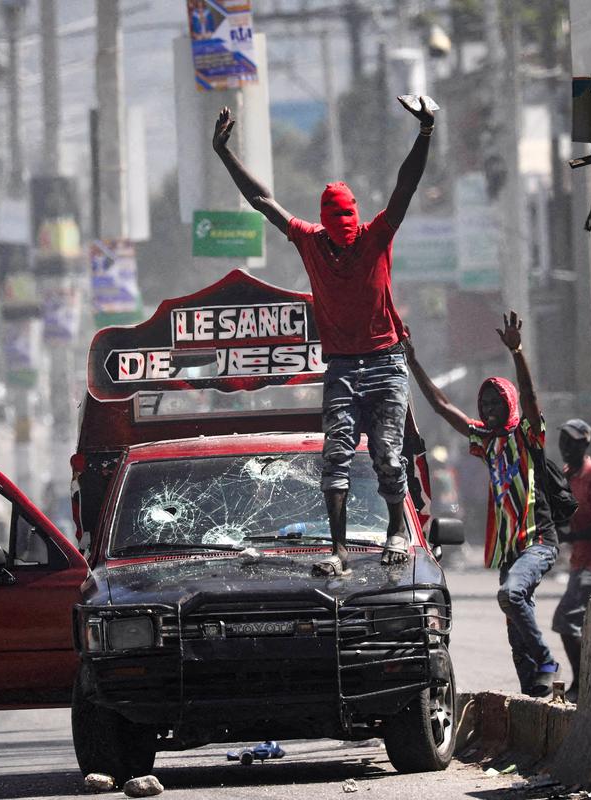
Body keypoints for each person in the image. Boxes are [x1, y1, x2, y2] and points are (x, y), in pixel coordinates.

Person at [212, 94, 436, 576]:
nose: (343, 234)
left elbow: (405, 185)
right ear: (325, 224)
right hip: (341, 366)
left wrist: (425, 132)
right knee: (335, 455)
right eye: (336, 227)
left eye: (347, 224)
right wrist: (224, 153)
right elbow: (261, 201)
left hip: (385, 362)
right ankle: (338, 550)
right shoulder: (310, 240)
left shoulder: (376, 236)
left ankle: (397, 530)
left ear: (356, 218)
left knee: (388, 454)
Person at [404, 313, 562, 697]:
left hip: (537, 542)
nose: (489, 408)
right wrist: (412, 362)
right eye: (484, 403)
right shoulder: (485, 441)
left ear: (509, 404)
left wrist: (517, 352)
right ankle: (535, 695)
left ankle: (547, 661)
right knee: (514, 628)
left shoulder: (527, 435)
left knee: (511, 596)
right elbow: (442, 406)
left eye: (496, 402)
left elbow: (530, 397)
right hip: (510, 551)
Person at [550, 419, 591, 703]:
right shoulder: (567, 475)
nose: (565, 447)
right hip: (579, 560)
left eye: (572, 442)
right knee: (582, 625)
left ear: (584, 444)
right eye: (563, 440)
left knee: (566, 620)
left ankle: (582, 682)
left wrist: (573, 536)